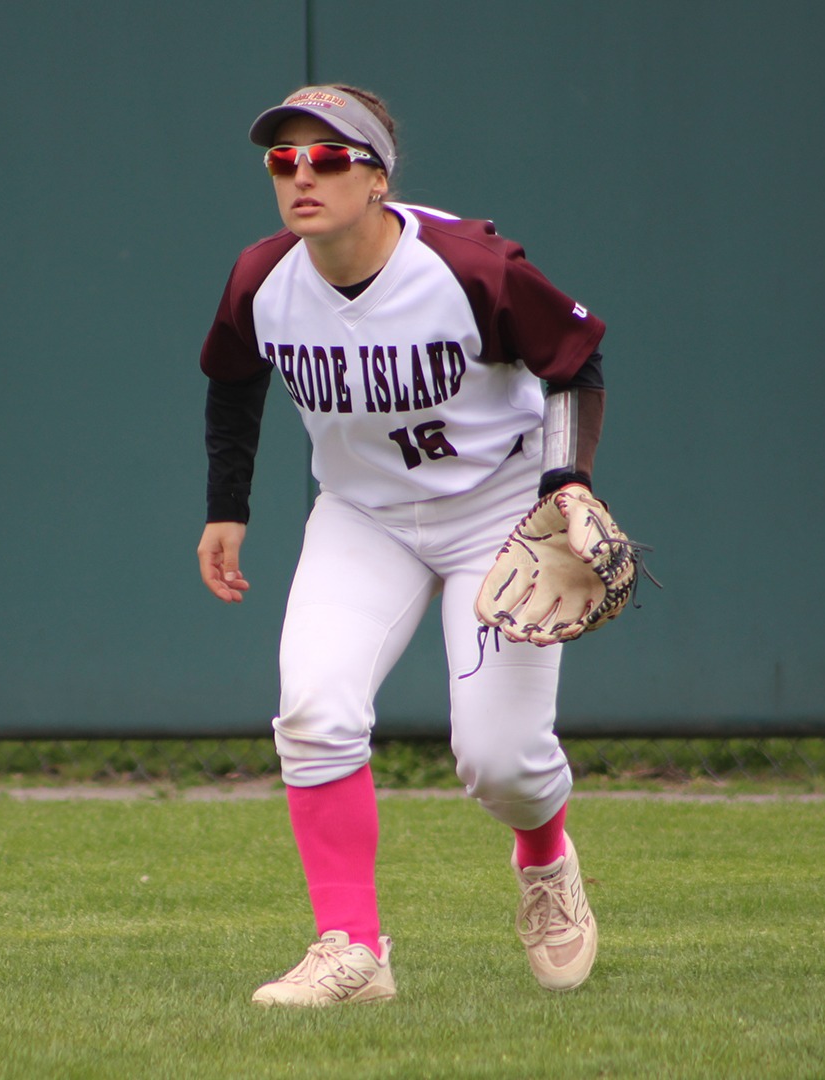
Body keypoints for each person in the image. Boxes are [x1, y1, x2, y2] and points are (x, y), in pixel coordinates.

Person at [196, 85, 612, 1007]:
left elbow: (574, 361)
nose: (304, 174)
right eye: (284, 159)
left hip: (496, 504)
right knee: (312, 710)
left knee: (499, 760)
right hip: (362, 515)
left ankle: (545, 865)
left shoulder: (469, 266)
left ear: (377, 176)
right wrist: (229, 504)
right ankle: (352, 950)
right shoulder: (262, 277)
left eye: (331, 157)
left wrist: (564, 484)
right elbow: (233, 379)